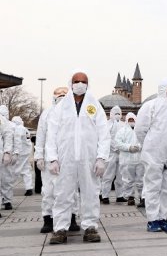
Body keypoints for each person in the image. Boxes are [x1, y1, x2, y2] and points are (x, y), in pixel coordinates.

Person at [46, 72, 110, 244]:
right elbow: (51, 134)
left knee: (90, 193)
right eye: (77, 81)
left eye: (84, 81)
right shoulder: (61, 107)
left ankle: (90, 227)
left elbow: (104, 134)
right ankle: (60, 229)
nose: (80, 84)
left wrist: (102, 158)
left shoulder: (94, 105)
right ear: (71, 83)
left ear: (88, 84)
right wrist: (52, 158)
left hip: (89, 159)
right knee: (62, 194)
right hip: (65, 159)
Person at [135, 79, 167, 232]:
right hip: (154, 153)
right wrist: (148, 146)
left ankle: (162, 217)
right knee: (153, 186)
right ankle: (152, 219)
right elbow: (140, 130)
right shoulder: (151, 106)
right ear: (162, 89)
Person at [35, 87, 71, 233]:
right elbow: (41, 135)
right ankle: (48, 219)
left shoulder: (73, 113)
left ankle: (72, 217)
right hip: (50, 158)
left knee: (70, 190)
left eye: (64, 95)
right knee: (49, 190)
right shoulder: (47, 114)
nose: (62, 98)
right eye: (59, 96)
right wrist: (39, 156)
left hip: (68, 158)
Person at [116, 113, 143, 207]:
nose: (132, 122)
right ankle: (130, 197)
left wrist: (139, 147)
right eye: (130, 120)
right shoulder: (121, 131)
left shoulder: (140, 130)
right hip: (126, 160)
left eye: (133, 120)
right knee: (127, 180)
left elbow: (145, 141)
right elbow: (118, 143)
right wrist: (129, 147)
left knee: (141, 180)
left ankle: (142, 197)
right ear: (127, 120)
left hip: (139, 159)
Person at [101, 106, 124, 204]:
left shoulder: (124, 125)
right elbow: (106, 138)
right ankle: (105, 196)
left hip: (122, 154)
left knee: (120, 176)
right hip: (111, 154)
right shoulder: (107, 125)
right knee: (108, 176)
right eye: (116, 114)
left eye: (119, 113)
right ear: (111, 114)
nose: (117, 115)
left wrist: (122, 148)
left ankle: (120, 195)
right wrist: (115, 147)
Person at [0, 107, 18, 210]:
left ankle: (7, 200)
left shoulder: (3, 122)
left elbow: (8, 136)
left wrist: (8, 152)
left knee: (6, 178)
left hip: (1, 155)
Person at [11, 116, 33, 196]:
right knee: (26, 170)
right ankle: (29, 188)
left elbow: (18, 140)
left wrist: (15, 152)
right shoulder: (25, 129)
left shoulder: (19, 129)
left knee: (15, 171)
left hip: (20, 153)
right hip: (26, 152)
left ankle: (8, 187)